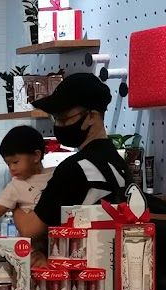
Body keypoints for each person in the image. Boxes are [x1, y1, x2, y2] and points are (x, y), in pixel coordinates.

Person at [13, 73, 131, 248]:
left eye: (63, 118)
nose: (58, 126)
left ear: (92, 116)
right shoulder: (118, 162)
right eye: (55, 118)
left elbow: (30, 229)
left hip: (83, 267)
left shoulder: (73, 169)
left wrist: (13, 197)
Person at [0, 126, 53, 229]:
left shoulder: (55, 175)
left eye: (15, 162)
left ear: (36, 156)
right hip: (30, 237)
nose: (12, 168)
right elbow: (0, 206)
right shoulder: (15, 185)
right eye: (8, 164)